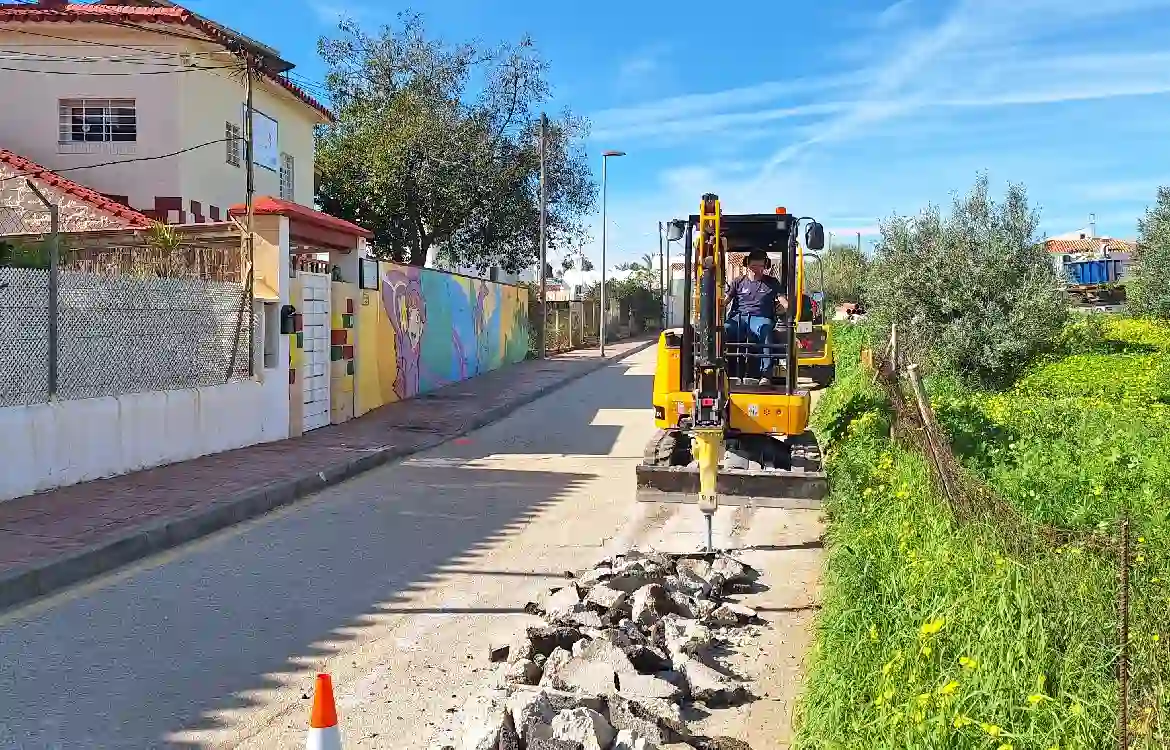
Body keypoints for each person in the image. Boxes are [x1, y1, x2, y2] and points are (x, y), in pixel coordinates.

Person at [724, 249, 785, 384]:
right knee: (724, 329)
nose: (756, 270)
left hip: (760, 318)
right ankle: (725, 372)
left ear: (765, 266)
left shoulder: (772, 282)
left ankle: (765, 375)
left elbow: (783, 301)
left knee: (765, 329)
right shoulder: (737, 282)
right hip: (738, 317)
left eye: (760, 267)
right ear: (747, 265)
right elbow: (726, 301)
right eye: (753, 266)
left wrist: (786, 306)